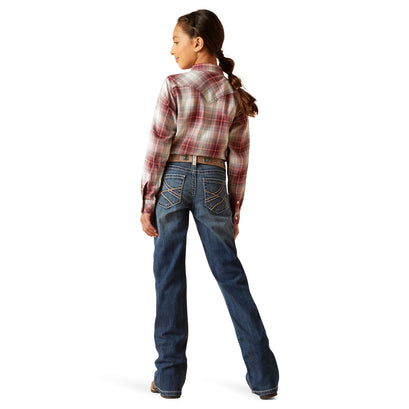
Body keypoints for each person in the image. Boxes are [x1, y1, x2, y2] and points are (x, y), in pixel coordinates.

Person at [140, 9, 279, 399]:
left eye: (176, 41)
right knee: (231, 277)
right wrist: (234, 210)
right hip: (215, 182)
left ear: (197, 43)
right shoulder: (233, 93)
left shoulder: (174, 85)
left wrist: (148, 201)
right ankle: (264, 378)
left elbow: (158, 146)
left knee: (168, 276)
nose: (172, 50)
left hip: (172, 180)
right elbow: (240, 158)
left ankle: (168, 379)